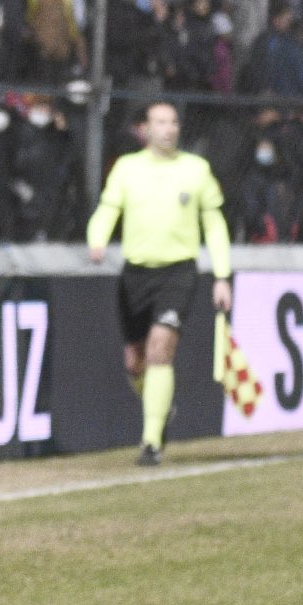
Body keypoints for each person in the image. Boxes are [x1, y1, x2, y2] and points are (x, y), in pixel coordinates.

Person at [87, 101, 233, 466]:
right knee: (135, 362)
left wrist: (221, 276)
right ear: (145, 129)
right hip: (136, 274)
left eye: (173, 122)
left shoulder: (196, 170)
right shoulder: (127, 168)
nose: (169, 129)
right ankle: (159, 408)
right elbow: (108, 208)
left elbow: (214, 224)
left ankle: (151, 442)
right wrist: (98, 236)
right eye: (161, 122)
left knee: (160, 349)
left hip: (178, 272)